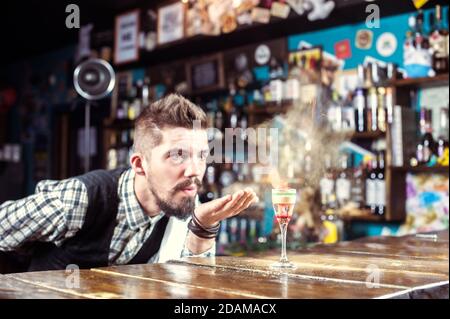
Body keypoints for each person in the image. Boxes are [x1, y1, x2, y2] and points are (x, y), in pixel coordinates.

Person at [0, 94, 258, 272]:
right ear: (139, 165)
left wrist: (204, 228)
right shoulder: (81, 198)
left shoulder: (186, 203)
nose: (194, 171)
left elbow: (190, 291)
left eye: (201, 155)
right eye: (178, 155)